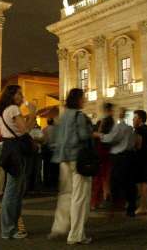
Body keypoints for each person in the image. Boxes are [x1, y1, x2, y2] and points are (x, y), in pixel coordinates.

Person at [49, 88, 93, 245]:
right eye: (84, 98)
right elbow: (83, 136)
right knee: (79, 197)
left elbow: (54, 139)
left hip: (63, 159)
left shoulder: (63, 116)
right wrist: (92, 130)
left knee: (65, 194)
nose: (85, 100)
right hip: (78, 160)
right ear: (78, 100)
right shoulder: (79, 116)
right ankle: (76, 235)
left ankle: (59, 227)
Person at [0, 84, 37, 240]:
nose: (21, 97)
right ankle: (8, 229)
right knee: (13, 192)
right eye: (19, 94)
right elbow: (26, 129)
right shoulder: (13, 109)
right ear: (12, 96)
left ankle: (13, 226)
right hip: (16, 153)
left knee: (14, 190)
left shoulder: (1, 112)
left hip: (8, 150)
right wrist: (33, 113)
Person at [96, 106, 136, 217]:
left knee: (117, 181)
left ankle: (119, 203)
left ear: (120, 114)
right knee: (129, 182)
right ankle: (131, 205)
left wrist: (99, 135)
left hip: (119, 157)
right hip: (129, 156)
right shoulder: (129, 128)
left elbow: (111, 138)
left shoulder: (120, 127)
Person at [91, 103, 114, 210]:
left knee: (100, 177)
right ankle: (97, 201)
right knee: (102, 177)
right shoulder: (107, 121)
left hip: (103, 151)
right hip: (104, 152)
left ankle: (97, 201)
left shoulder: (107, 121)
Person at [42, 118, 58, 189]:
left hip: (47, 150)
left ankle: (47, 183)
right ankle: (55, 183)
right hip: (56, 150)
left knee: (47, 168)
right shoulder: (57, 129)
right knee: (55, 168)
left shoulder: (44, 130)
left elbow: (44, 141)